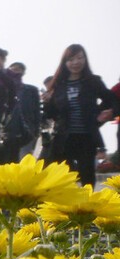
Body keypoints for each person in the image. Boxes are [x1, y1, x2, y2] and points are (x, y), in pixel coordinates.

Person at [42, 44, 117, 186]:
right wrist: (47, 102)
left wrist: (107, 113)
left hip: (86, 136)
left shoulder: (93, 81)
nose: (76, 62)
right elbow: (51, 114)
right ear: (65, 63)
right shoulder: (58, 84)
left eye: (79, 58)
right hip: (64, 137)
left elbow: (111, 98)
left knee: (87, 174)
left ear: (85, 59)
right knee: (65, 176)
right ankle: (65, 206)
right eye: (71, 59)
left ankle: (88, 205)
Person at [9, 62, 41, 158]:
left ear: (23, 72)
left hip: (28, 129)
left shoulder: (32, 90)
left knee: (25, 158)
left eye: (18, 69)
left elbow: (37, 110)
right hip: (9, 131)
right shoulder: (3, 90)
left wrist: (36, 129)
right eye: (12, 69)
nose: (15, 71)